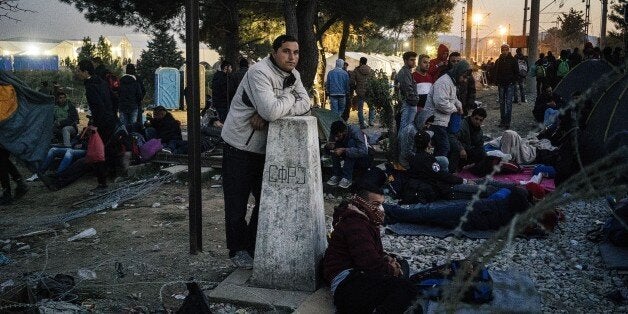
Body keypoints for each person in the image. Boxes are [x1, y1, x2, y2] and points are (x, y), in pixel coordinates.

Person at [220, 35, 311, 269]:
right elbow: (274, 110)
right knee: (237, 204)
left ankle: (251, 245)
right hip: (238, 145)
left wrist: (275, 106)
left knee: (268, 200)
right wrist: (285, 100)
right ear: (274, 52)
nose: (292, 57)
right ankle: (237, 251)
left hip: (264, 149)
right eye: (286, 51)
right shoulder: (258, 72)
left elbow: (306, 104)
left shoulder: (294, 75)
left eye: (296, 52)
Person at [323, 168, 417, 314]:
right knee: (405, 287)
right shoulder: (355, 224)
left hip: (358, 275)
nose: (380, 209)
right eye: (375, 204)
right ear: (362, 204)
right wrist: (391, 269)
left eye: (381, 204)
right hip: (347, 284)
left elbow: (372, 254)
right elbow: (369, 263)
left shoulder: (364, 221)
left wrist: (388, 260)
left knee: (402, 265)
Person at [75, 59, 120, 191]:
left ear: (85, 71)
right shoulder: (101, 82)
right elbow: (115, 98)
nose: (76, 72)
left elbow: (98, 107)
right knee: (108, 149)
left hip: (102, 122)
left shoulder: (91, 86)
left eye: (78, 70)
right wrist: (112, 114)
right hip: (110, 120)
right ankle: (112, 175)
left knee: (98, 151)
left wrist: (95, 124)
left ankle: (102, 183)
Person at [424, 60, 469, 158]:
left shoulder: (452, 81)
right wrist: (455, 109)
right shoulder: (444, 82)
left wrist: (459, 105)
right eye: (464, 77)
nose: (464, 80)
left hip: (442, 121)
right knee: (444, 147)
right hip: (435, 121)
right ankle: (439, 171)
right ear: (458, 72)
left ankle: (437, 168)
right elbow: (440, 103)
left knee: (441, 147)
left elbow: (453, 98)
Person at [325, 121, 372, 189]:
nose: (336, 138)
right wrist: (329, 146)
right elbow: (330, 147)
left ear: (344, 132)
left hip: (364, 158)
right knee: (335, 146)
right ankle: (336, 175)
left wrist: (344, 150)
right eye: (335, 136)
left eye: (338, 136)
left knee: (351, 143)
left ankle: (347, 178)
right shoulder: (335, 132)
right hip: (348, 155)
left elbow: (364, 151)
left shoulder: (355, 132)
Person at [493, 44, 519, 129]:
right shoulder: (498, 61)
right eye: (503, 50)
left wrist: (513, 81)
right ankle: (503, 120)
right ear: (501, 50)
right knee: (502, 104)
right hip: (501, 85)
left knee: (508, 104)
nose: (504, 51)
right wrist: (496, 82)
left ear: (508, 50)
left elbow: (516, 72)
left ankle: (507, 122)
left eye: (506, 50)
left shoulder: (513, 60)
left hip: (509, 85)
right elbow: (495, 72)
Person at [397, 51, 419, 131]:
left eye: (415, 60)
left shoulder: (407, 72)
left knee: (407, 127)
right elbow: (408, 89)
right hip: (408, 104)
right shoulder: (404, 73)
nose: (414, 62)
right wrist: (415, 101)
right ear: (405, 61)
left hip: (409, 103)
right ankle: (403, 143)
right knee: (406, 128)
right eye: (411, 60)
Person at [117, 63, 144, 128]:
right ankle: (133, 137)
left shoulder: (121, 81)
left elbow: (118, 93)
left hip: (123, 106)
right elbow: (140, 94)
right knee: (133, 126)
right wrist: (138, 102)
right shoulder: (136, 81)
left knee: (124, 126)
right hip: (133, 106)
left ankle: (125, 137)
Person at [351, 57, 374, 128]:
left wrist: (355, 87)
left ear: (360, 62)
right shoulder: (371, 70)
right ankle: (371, 121)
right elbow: (374, 81)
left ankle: (362, 124)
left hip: (360, 92)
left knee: (360, 108)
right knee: (371, 107)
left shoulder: (356, 70)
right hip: (369, 92)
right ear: (366, 62)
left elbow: (352, 81)